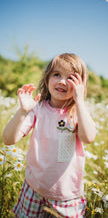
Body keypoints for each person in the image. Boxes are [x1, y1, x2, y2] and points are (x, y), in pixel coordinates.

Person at [2, 53, 96, 218]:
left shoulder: (77, 112)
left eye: (71, 78)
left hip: (66, 196)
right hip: (33, 189)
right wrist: (23, 111)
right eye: (57, 74)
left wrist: (79, 101)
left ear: (81, 84)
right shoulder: (37, 109)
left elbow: (88, 138)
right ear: (47, 78)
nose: (62, 81)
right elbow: (8, 140)